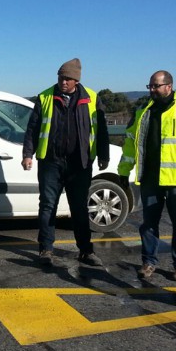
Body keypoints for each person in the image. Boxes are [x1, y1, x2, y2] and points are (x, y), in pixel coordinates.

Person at [118, 71, 176, 282]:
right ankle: (149, 262)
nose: (152, 90)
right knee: (149, 224)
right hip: (150, 178)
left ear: (169, 86)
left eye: (156, 86)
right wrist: (124, 171)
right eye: (150, 86)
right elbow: (130, 145)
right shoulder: (143, 111)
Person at [21, 58, 110, 267]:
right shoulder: (45, 97)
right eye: (61, 78)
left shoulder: (92, 98)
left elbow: (102, 131)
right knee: (47, 206)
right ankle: (46, 249)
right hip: (51, 162)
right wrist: (27, 154)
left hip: (80, 163)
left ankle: (86, 251)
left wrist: (103, 155)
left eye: (68, 79)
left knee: (79, 207)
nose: (63, 82)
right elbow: (32, 129)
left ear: (76, 81)